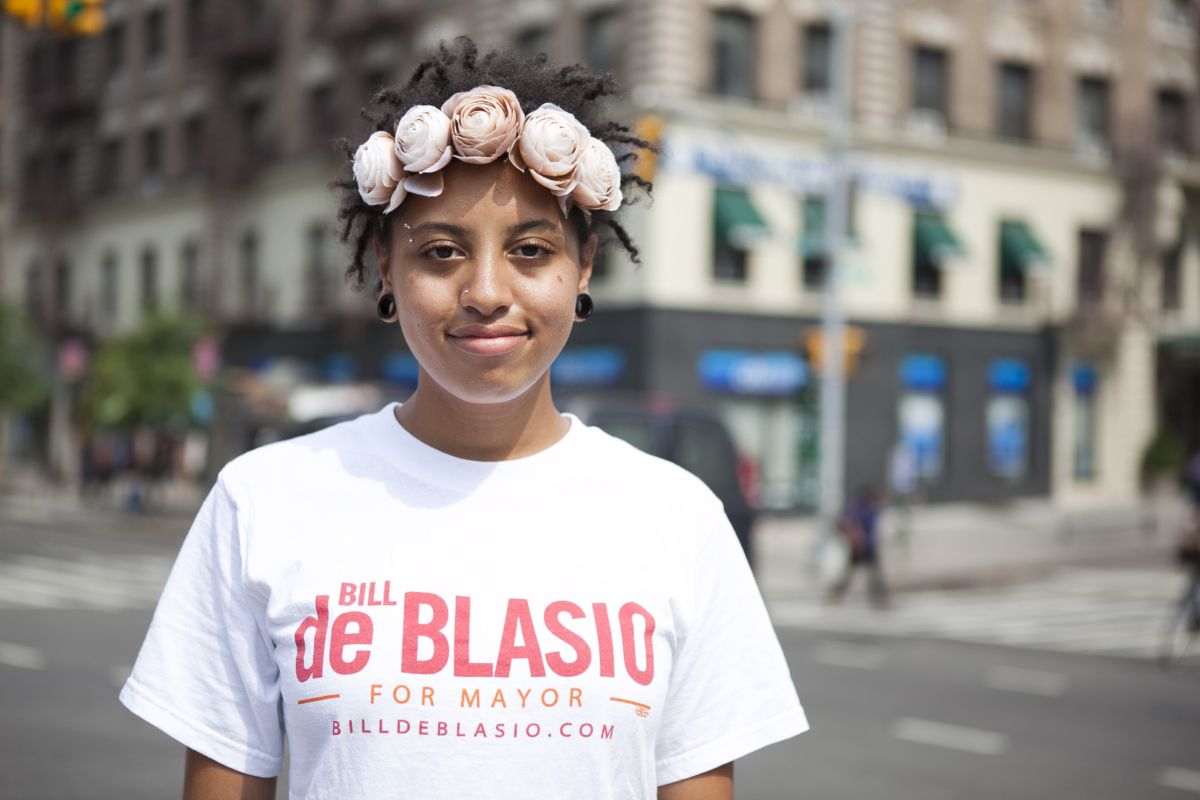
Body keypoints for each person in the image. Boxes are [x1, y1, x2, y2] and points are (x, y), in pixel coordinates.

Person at [119, 41, 807, 800]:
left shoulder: (680, 519)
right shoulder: (263, 501)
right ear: (387, 267)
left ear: (582, 268)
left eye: (532, 250)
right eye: (442, 251)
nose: (485, 290)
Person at [828, 486, 889, 608]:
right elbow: (847, 524)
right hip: (860, 547)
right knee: (852, 573)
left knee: (875, 574)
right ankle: (836, 594)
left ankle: (880, 597)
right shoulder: (860, 510)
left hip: (869, 546)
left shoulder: (873, 510)